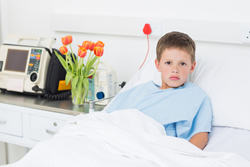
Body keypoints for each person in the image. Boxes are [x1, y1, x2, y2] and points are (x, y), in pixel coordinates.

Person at [105, 31, 213, 150]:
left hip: (155, 146)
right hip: (118, 140)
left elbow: (201, 135)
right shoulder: (140, 90)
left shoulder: (196, 96)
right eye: (168, 63)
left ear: (192, 67)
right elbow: (107, 118)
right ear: (158, 65)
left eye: (182, 63)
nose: (175, 69)